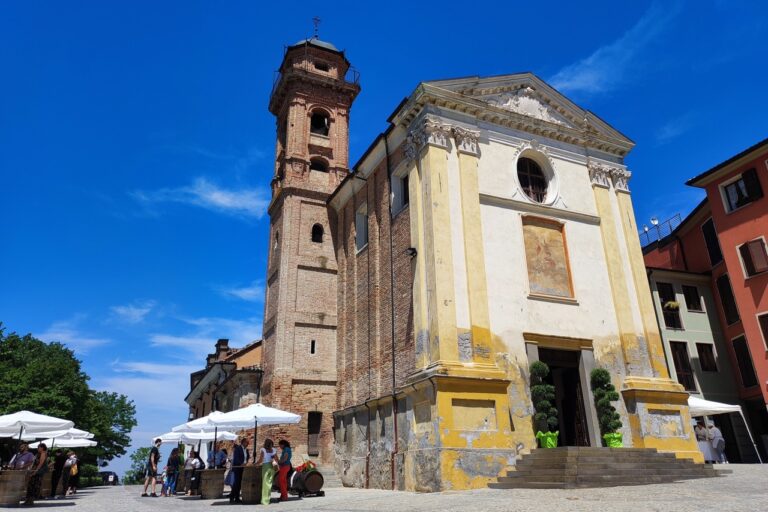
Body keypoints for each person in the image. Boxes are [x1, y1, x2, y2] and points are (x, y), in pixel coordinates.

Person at [255, 438, 278, 505]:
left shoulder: (263, 450)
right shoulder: (274, 450)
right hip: (272, 467)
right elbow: (277, 459)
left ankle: (265, 501)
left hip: (265, 467)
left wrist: (255, 464)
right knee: (269, 483)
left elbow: (261, 460)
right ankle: (268, 499)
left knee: (265, 484)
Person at [229, 438, 249, 504]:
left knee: (239, 484)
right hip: (238, 468)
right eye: (247, 442)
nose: (248, 444)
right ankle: (231, 497)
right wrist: (241, 463)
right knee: (236, 483)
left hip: (243, 468)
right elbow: (236, 459)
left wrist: (246, 463)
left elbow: (247, 457)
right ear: (243, 442)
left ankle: (237, 498)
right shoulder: (238, 449)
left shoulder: (246, 450)